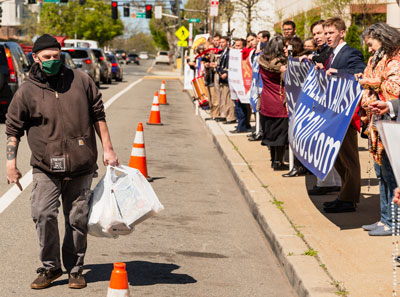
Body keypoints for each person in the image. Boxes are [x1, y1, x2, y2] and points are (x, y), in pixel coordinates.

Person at [5, 34, 119, 289]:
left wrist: (108, 149)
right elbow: (13, 129)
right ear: (35, 58)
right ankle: (51, 267)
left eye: (56, 56)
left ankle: (75, 269)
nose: (53, 61)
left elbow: (98, 114)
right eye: (47, 58)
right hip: (45, 167)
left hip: (81, 165)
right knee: (43, 213)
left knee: (77, 219)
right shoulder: (27, 90)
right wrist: (10, 164)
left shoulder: (80, 80)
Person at [356, 22, 400, 235]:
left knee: (391, 175)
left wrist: (370, 82)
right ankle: (384, 218)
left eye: (370, 43)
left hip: (391, 123)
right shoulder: (377, 59)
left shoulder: (395, 59)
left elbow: (392, 87)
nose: (369, 48)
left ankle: (393, 222)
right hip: (376, 124)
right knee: (381, 174)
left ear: (382, 38)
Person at [319, 17, 366, 213]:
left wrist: (338, 71)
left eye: (331, 32)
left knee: (349, 157)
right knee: (337, 157)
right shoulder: (329, 53)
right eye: (325, 33)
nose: (327, 36)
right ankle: (344, 194)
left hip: (345, 114)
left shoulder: (351, 52)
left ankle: (348, 199)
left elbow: (360, 73)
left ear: (342, 33)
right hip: (332, 112)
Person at [304, 19, 342, 195]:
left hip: (334, 108)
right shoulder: (323, 51)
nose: (319, 37)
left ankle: (330, 183)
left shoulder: (333, 52)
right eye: (317, 34)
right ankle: (330, 181)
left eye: (323, 33)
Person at [258, 36, 289, 170]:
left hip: (266, 99)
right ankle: (278, 161)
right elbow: (287, 81)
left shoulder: (262, 61)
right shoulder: (282, 66)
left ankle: (273, 159)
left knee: (270, 131)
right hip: (279, 101)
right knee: (281, 134)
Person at [217, 36, 236, 124]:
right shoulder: (223, 52)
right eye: (220, 42)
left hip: (227, 78)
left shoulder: (229, 52)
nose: (221, 44)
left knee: (229, 99)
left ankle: (231, 117)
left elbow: (231, 65)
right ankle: (225, 115)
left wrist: (227, 74)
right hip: (222, 78)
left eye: (223, 42)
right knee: (224, 98)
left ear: (227, 43)